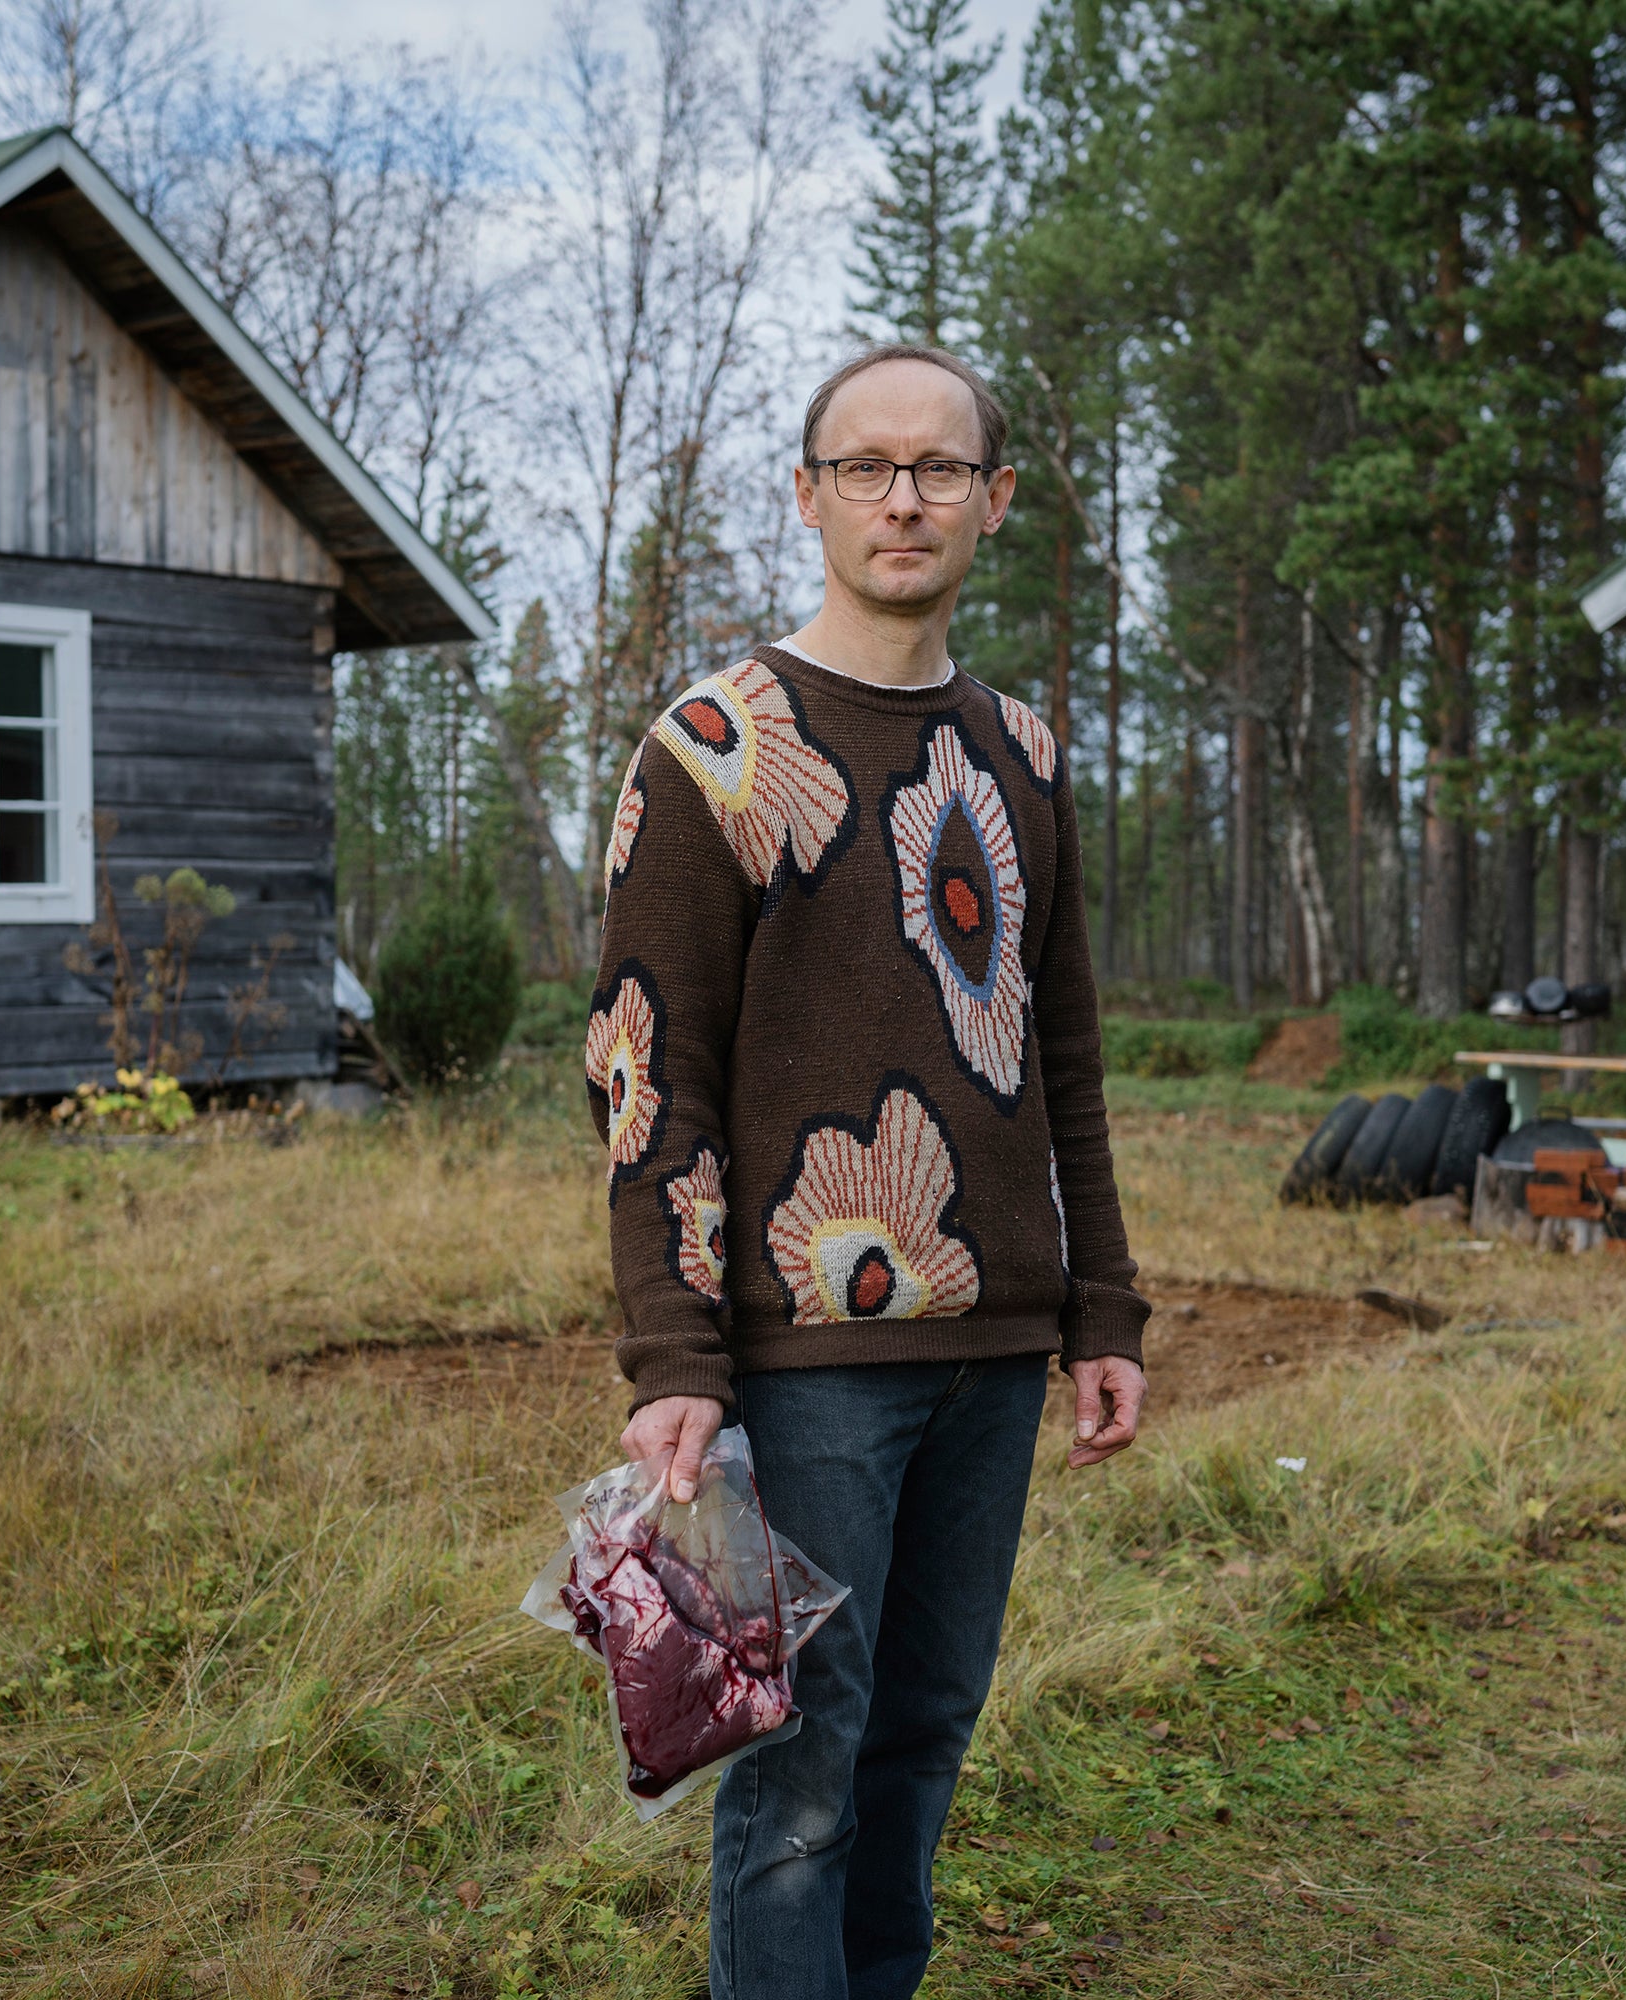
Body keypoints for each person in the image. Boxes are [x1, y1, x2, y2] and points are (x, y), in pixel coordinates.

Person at [583, 343, 1150, 2000]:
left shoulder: (1026, 756)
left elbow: (1064, 1058)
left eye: (941, 468)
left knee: (921, 1742)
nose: (905, 497)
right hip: (807, 1363)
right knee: (804, 1778)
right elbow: (645, 1070)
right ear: (810, 493)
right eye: (867, 466)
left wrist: (1100, 1305)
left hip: (994, 1358)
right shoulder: (712, 752)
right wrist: (675, 1353)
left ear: (997, 498)